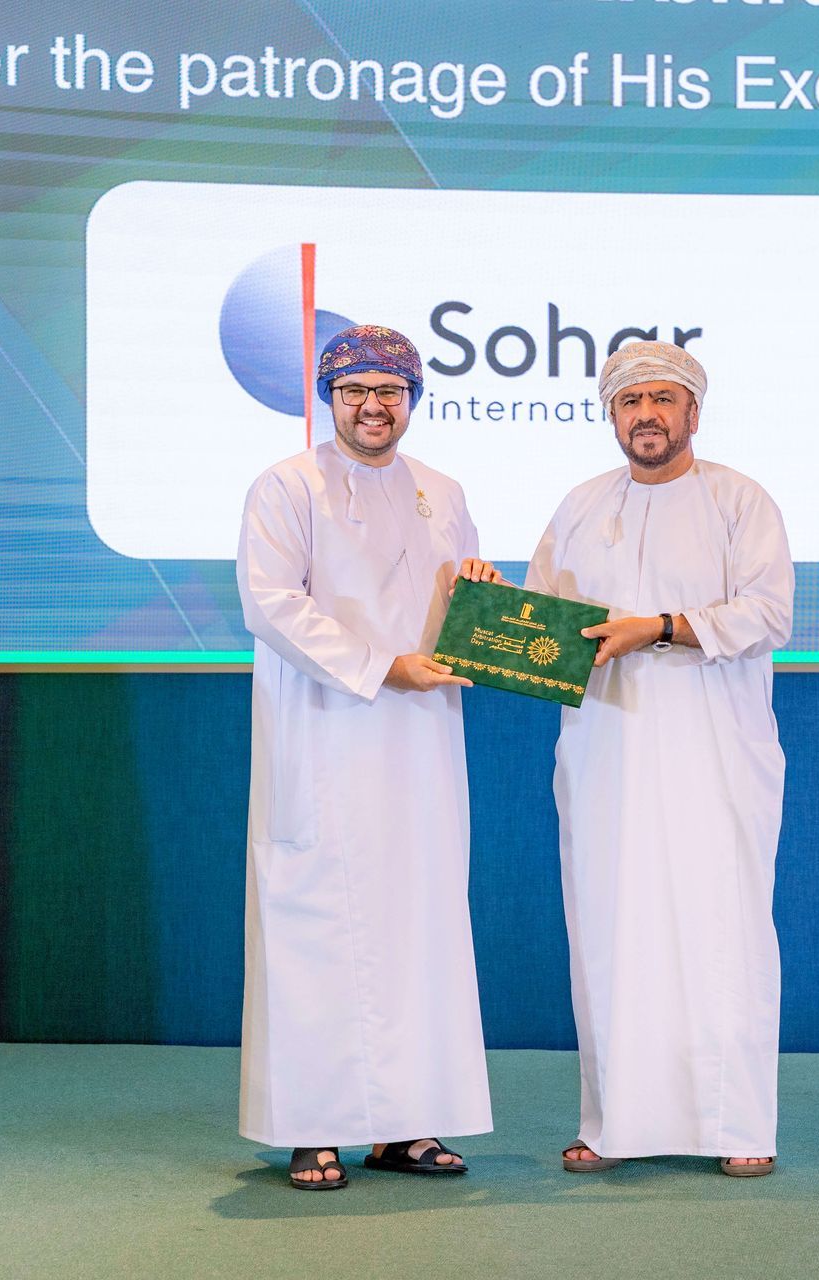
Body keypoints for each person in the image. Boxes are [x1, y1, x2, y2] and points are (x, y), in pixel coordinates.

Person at [468, 340, 791, 1177]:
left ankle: (738, 1126)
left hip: (715, 748)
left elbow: (768, 613)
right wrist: (486, 607)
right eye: (629, 401)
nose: (646, 415)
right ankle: (613, 1123)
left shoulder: (739, 500)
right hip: (606, 748)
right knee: (611, 927)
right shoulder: (581, 506)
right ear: (611, 415)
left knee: (722, 927)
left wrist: (661, 627)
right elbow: (542, 624)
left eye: (662, 399)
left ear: (693, 412)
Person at [237, 324, 494, 1189]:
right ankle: (312, 1128)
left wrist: (479, 601)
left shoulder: (443, 492)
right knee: (317, 920)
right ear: (330, 400)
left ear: (411, 399)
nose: (372, 406)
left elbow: (452, 600)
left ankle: (404, 1127)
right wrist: (384, 667)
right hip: (322, 731)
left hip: (421, 743)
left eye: (389, 390)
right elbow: (272, 604)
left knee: (418, 920)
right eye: (354, 391)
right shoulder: (286, 486)